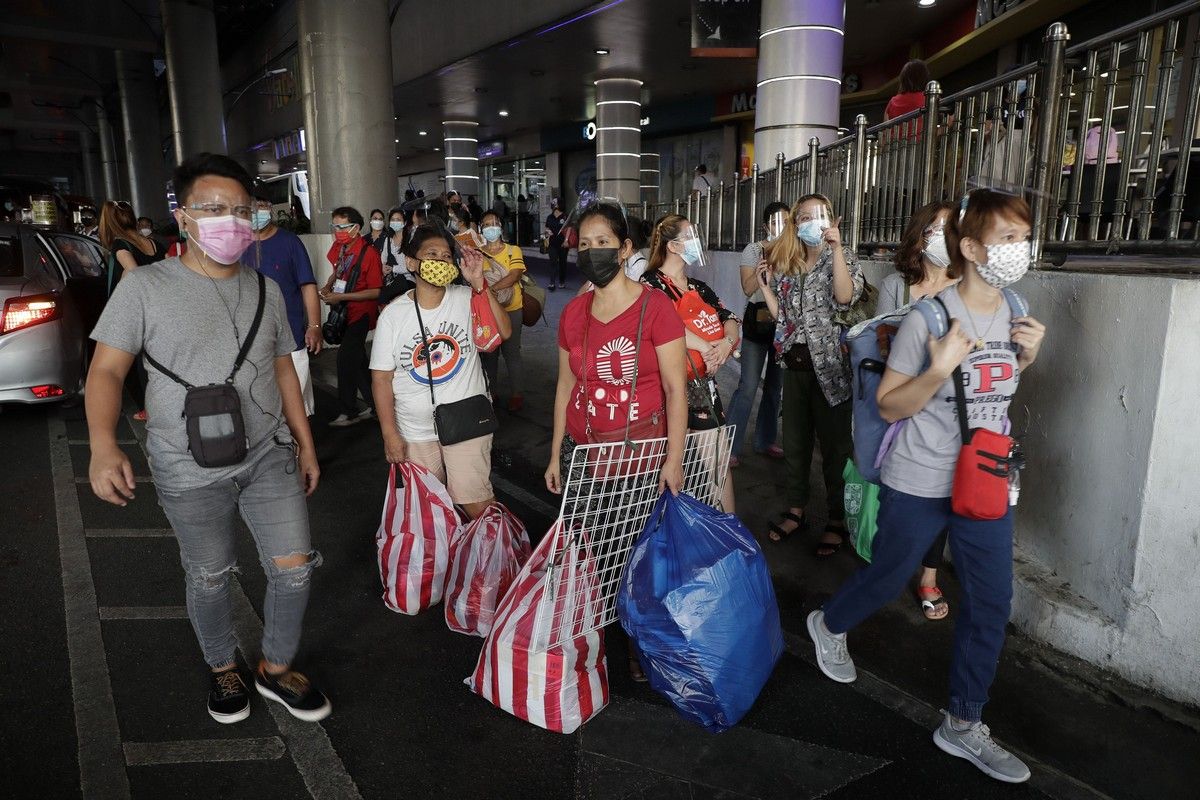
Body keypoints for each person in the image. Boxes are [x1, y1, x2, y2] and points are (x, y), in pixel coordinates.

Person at [808, 188, 1046, 785]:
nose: (1020, 249)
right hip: (920, 477)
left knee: (991, 601)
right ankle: (828, 624)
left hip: (984, 479)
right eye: (1007, 238)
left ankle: (963, 723)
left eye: (1023, 237)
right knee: (889, 577)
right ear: (972, 247)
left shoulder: (1016, 307)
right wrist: (937, 368)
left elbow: (990, 390)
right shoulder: (929, 318)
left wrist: (1024, 361)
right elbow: (890, 405)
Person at [86, 151, 330, 725]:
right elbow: (106, 372)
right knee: (210, 574)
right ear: (184, 217)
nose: (232, 221)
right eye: (214, 209)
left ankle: (274, 669)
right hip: (187, 464)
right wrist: (102, 445)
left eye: (241, 210)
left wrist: (306, 443)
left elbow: (282, 370)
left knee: (294, 567)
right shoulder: (144, 288)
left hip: (268, 453)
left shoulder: (267, 289)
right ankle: (222, 665)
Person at [544, 201, 687, 683]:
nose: (592, 252)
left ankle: (637, 641)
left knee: (637, 555)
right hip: (585, 453)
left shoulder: (656, 307)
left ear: (625, 248)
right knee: (596, 551)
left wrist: (673, 459)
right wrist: (556, 453)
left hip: (640, 456)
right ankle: (603, 634)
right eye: (584, 245)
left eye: (602, 242)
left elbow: (674, 389)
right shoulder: (573, 313)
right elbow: (565, 387)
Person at [370, 224, 510, 518]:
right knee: (427, 511)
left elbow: (503, 332)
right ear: (412, 262)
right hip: (414, 431)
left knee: (478, 505)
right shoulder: (393, 315)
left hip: (467, 421)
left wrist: (480, 284)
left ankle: (496, 548)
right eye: (431, 254)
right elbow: (381, 378)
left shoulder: (467, 296)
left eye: (446, 256)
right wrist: (390, 434)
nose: (440, 261)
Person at [758, 194, 864, 556]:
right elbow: (784, 319)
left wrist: (836, 249)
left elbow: (845, 297)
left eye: (816, 215)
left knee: (835, 448)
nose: (809, 222)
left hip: (831, 370)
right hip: (795, 368)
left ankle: (836, 519)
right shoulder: (789, 264)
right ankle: (796, 509)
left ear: (830, 220)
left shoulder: (843, 257)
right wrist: (765, 288)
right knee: (795, 444)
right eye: (802, 217)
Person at [877, 201, 958, 620]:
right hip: (901, 399)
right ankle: (886, 566)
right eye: (935, 228)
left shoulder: (964, 288)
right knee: (898, 493)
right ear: (919, 235)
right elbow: (878, 339)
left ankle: (929, 576)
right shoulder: (896, 285)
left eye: (950, 228)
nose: (942, 236)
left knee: (942, 495)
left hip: (944, 411)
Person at [641, 214, 739, 513]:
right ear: (672, 246)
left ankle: (729, 526)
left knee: (718, 463)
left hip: (702, 384)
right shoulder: (649, 284)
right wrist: (709, 347)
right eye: (690, 236)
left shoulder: (698, 287)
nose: (698, 242)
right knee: (663, 464)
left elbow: (730, 318)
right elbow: (662, 327)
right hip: (665, 385)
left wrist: (726, 344)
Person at [245, 194, 322, 417]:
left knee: (295, 404)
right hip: (251, 340)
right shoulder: (238, 245)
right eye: (250, 208)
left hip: (290, 336)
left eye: (260, 206)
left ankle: (300, 438)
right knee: (261, 408)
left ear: (270, 208)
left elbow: (307, 286)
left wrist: (315, 326)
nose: (256, 212)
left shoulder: (290, 242)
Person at [725, 202, 789, 466]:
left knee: (775, 386)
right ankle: (730, 446)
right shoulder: (754, 250)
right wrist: (764, 271)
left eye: (786, 221)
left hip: (785, 326)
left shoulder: (795, 250)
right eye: (775, 222)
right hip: (758, 323)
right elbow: (747, 288)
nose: (781, 226)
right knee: (748, 385)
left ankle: (765, 440)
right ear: (766, 225)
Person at [98, 199, 168, 420]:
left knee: (136, 363)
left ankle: (149, 409)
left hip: (138, 311)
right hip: (161, 307)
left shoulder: (121, 245)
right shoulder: (154, 243)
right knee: (158, 359)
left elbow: (133, 271)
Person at [320, 206, 383, 426]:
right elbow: (337, 272)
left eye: (342, 227)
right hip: (344, 311)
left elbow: (375, 291)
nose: (337, 231)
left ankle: (348, 411)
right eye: (334, 226)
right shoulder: (340, 248)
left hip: (361, 313)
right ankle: (376, 406)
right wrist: (328, 286)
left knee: (345, 359)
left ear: (356, 228)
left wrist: (342, 296)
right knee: (358, 360)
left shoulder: (369, 254)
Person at [477, 210, 527, 411]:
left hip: (512, 308)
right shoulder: (478, 253)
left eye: (495, 223)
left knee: (512, 352)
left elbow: (515, 275)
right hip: (487, 310)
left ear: (500, 227)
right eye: (487, 224)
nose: (491, 227)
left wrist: (492, 289)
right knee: (489, 354)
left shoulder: (513, 250)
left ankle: (517, 394)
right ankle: (492, 393)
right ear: (481, 229)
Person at [544, 201, 568, 291]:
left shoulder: (565, 216)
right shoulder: (550, 217)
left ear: (559, 205)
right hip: (552, 243)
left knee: (562, 263)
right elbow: (546, 227)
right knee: (553, 262)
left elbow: (569, 229)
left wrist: (566, 240)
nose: (553, 204)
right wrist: (547, 232)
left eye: (555, 202)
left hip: (563, 244)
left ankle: (561, 281)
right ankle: (552, 282)